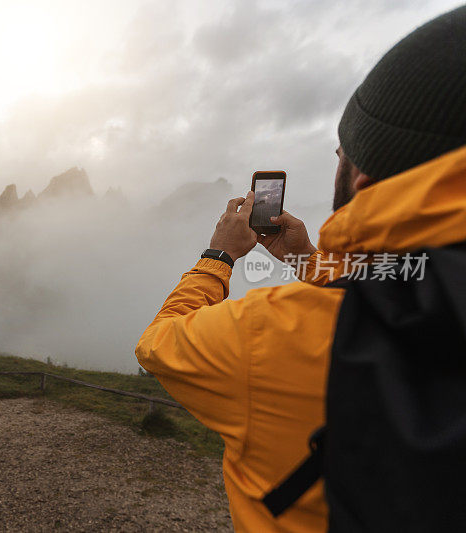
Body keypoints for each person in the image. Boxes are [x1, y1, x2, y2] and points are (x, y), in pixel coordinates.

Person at [135, 5, 466, 532]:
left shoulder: (266, 335)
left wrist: (219, 257)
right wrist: (306, 261)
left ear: (361, 180)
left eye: (343, 151)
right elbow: (398, 281)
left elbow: (158, 345)